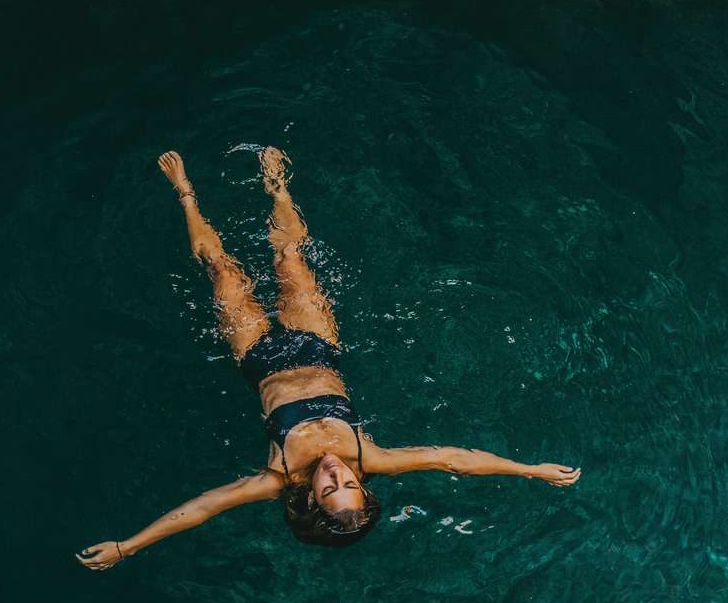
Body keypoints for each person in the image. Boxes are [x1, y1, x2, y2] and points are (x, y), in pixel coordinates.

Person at [77, 148, 580, 570]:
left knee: (220, 268)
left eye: (330, 486)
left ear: (309, 500)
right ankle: (276, 185)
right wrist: (530, 469)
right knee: (290, 257)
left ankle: (184, 191)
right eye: (349, 483)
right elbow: (455, 459)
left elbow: (202, 509)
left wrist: (129, 546)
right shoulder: (371, 457)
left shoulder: (276, 478)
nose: (339, 471)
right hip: (318, 347)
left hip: (259, 358)